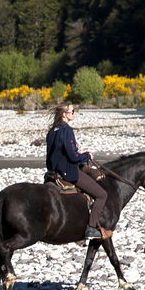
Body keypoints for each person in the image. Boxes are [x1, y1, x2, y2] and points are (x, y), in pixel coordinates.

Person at [46, 102, 108, 240]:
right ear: (64, 114)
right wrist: (87, 155)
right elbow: (73, 157)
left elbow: (56, 152)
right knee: (101, 195)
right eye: (72, 111)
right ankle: (91, 228)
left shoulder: (52, 131)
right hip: (67, 173)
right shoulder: (67, 130)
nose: (74, 113)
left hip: (53, 172)